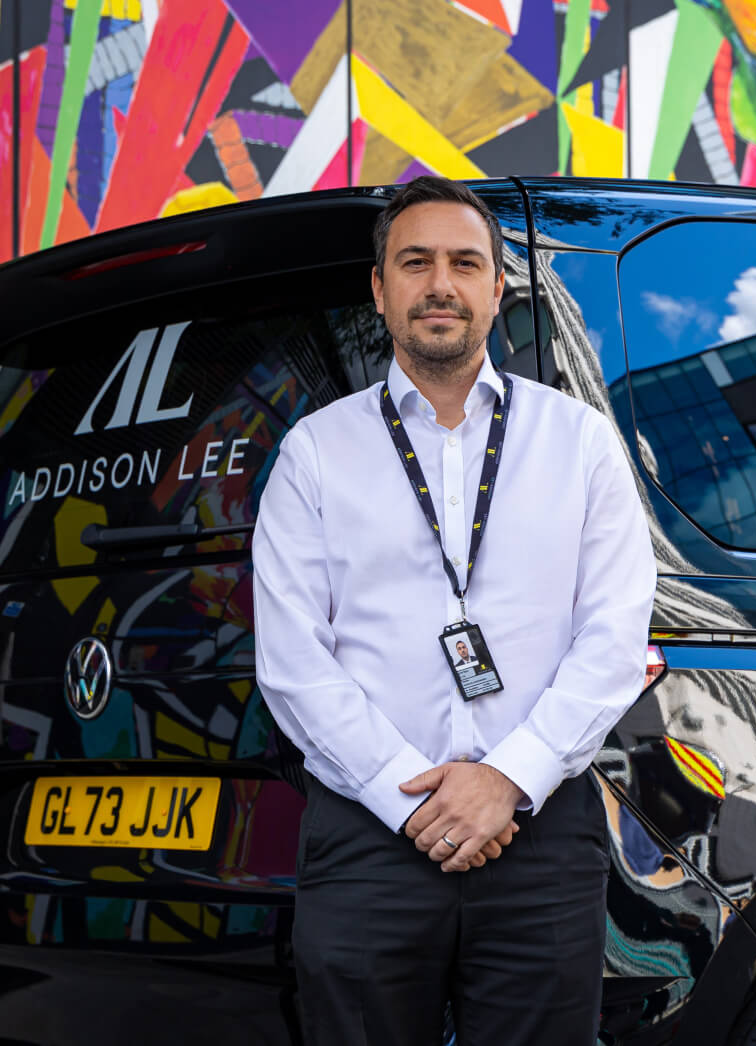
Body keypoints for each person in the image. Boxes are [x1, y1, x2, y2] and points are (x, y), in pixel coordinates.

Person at [252, 176, 657, 1046]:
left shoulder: (579, 441)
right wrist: (416, 804)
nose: (441, 283)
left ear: (497, 287)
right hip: (369, 836)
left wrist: (507, 779)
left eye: (465, 263)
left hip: (540, 836)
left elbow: (616, 635)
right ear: (380, 289)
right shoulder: (315, 454)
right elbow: (294, 662)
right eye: (416, 262)